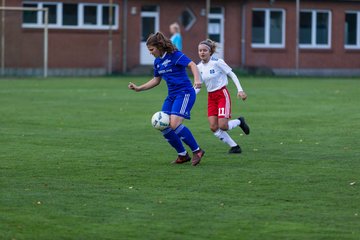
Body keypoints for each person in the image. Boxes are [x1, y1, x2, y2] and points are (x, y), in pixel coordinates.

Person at [128, 32, 205, 166]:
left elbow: (192, 64)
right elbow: (156, 80)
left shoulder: (175, 55)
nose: (150, 53)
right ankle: (182, 155)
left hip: (185, 93)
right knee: (163, 125)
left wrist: (197, 79)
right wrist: (139, 88)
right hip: (172, 96)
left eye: (151, 49)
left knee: (174, 124)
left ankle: (197, 150)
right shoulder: (157, 61)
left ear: (159, 46)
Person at [196, 39, 250, 154]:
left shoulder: (217, 62)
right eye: (200, 50)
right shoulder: (198, 67)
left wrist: (240, 90)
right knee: (213, 127)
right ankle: (235, 147)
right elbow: (198, 85)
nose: (202, 52)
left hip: (222, 95)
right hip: (211, 97)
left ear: (210, 52)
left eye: (204, 50)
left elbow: (231, 74)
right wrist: (190, 96)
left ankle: (240, 121)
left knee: (223, 126)